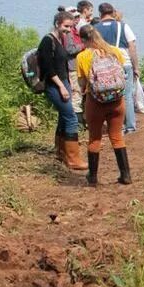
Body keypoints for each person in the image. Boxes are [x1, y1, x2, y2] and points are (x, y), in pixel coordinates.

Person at [76, 25, 131, 185]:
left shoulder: (83, 56)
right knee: (117, 137)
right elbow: (121, 73)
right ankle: (125, 175)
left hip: (95, 103)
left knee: (94, 138)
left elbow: (82, 83)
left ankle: (92, 177)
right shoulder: (114, 51)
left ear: (84, 40)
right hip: (117, 102)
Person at [38, 11, 87, 171]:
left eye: (70, 27)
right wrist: (61, 86)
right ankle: (73, 159)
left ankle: (60, 152)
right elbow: (48, 68)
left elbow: (62, 63)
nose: (68, 30)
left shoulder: (61, 39)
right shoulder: (47, 41)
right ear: (57, 24)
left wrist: (69, 85)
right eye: (66, 26)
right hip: (54, 85)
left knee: (63, 116)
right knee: (71, 117)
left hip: (64, 82)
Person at [93, 3, 140, 133]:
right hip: (124, 62)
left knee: (109, 95)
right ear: (113, 12)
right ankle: (130, 126)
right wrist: (136, 67)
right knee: (127, 95)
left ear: (100, 14)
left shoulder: (95, 29)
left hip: (104, 65)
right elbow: (132, 47)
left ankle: (117, 126)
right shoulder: (123, 26)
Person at [57, 6, 86, 123]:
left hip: (77, 65)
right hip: (73, 67)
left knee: (80, 93)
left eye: (78, 17)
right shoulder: (69, 33)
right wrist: (83, 45)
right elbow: (70, 49)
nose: (77, 19)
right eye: (74, 18)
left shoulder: (75, 30)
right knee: (76, 94)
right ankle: (78, 122)